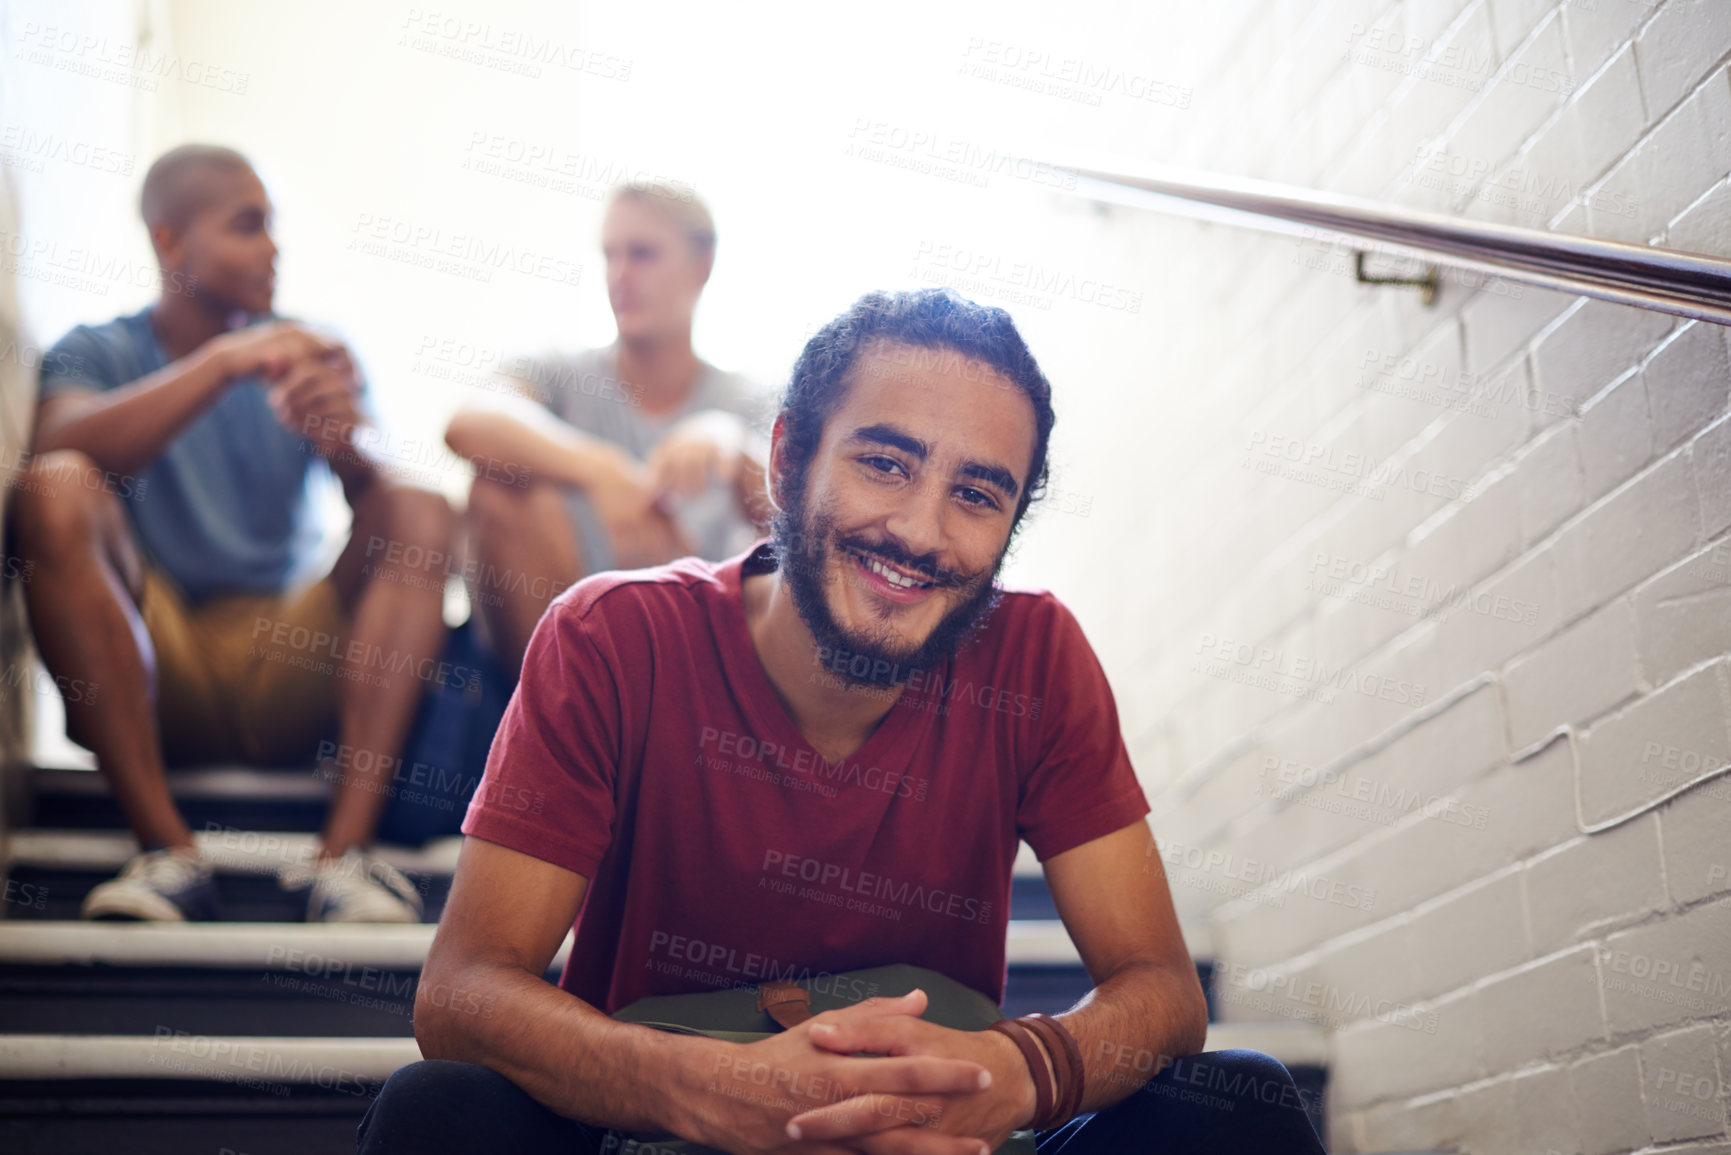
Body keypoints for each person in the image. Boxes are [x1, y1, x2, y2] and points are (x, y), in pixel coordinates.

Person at [359, 289, 1329, 1153]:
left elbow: (1159, 987)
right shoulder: (613, 638)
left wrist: (1018, 1076)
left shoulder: (1035, 659)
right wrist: (710, 1093)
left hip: (930, 1140)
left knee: (1235, 1104)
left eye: (977, 495)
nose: (919, 531)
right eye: (885, 463)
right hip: (667, 1133)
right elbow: (462, 995)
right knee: (439, 1113)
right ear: (788, 459)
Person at [9, 144, 455, 923]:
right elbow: (56, 444)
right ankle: (167, 851)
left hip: (289, 660)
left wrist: (351, 443)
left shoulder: (307, 350)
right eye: (248, 226)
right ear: (170, 241)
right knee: (54, 485)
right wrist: (223, 362)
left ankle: (343, 860)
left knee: (418, 502)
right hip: (159, 657)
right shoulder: (100, 348)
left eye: (274, 225)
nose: (274, 246)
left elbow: (388, 486)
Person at [443, 181, 769, 675]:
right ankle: (551, 722)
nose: (620, 275)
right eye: (609, 256)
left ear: (703, 264)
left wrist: (727, 438)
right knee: (495, 487)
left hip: (696, 663)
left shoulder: (746, 400)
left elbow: (803, 511)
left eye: (643, 254)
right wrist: (602, 471)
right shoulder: (561, 371)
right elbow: (468, 422)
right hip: (556, 650)